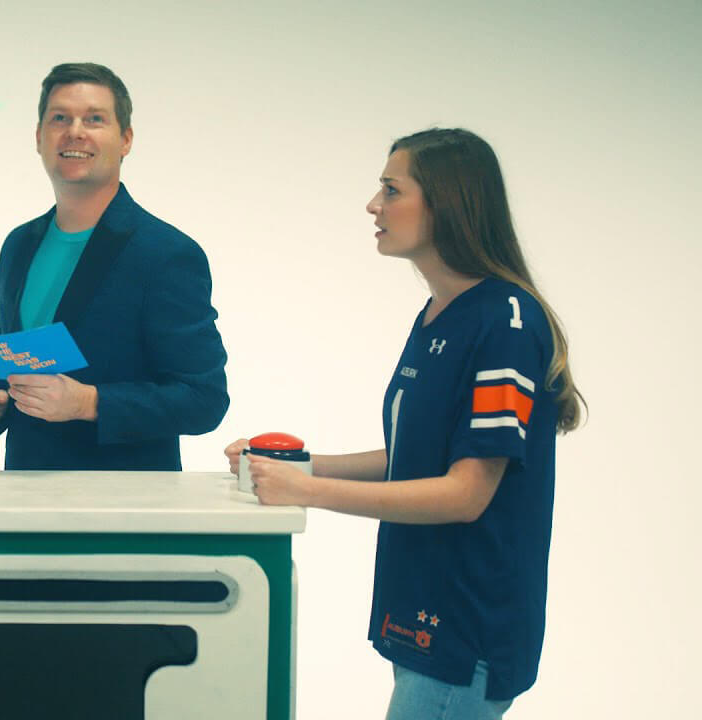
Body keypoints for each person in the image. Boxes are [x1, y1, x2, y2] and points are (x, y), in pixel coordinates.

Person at [226, 128, 584, 718]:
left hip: (467, 627)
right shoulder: (439, 313)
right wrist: (294, 465)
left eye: (391, 190)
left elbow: (466, 493)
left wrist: (308, 492)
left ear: (448, 202)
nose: (374, 206)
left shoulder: (506, 323)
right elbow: (413, 456)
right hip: (423, 608)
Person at [0, 62, 229, 470]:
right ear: (39, 138)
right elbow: (19, 363)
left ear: (125, 139)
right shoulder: (19, 245)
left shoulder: (165, 254)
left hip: (126, 512)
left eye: (94, 119)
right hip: (22, 500)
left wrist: (90, 402)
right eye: (59, 118)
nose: (75, 131)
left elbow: (204, 399)